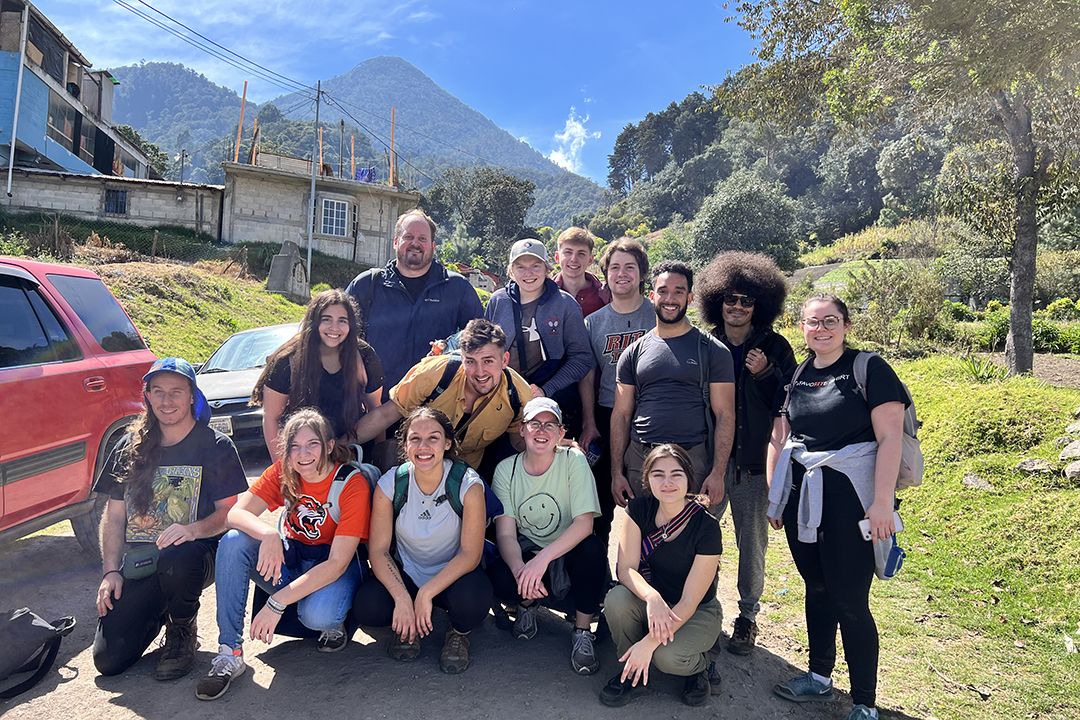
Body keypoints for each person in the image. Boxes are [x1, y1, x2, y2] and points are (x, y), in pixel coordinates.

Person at [766, 294, 906, 720]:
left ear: (846, 325)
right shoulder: (798, 374)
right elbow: (782, 437)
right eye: (813, 322)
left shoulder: (869, 369)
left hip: (852, 499)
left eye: (830, 321)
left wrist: (882, 503)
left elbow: (891, 439)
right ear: (802, 327)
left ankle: (864, 703)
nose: (821, 329)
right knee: (818, 587)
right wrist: (777, 496)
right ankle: (819, 678)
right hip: (803, 498)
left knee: (850, 599)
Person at [197, 409, 371, 700]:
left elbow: (338, 562)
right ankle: (230, 653)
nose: (303, 454)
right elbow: (235, 514)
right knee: (233, 542)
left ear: (329, 446)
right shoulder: (284, 471)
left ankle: (334, 617)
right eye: (294, 446)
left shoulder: (351, 482)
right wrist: (268, 534)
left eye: (312, 444)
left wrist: (276, 602)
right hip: (293, 557)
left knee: (317, 615)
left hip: (335, 563)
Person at [93, 357, 247, 680]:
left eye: (176, 392)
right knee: (108, 660)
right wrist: (110, 572)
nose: (167, 401)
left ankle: (182, 627)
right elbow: (115, 514)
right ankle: (161, 607)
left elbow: (229, 513)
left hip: (194, 556)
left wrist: (192, 530)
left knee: (178, 557)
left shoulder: (216, 446)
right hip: (142, 563)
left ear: (192, 396)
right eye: (158, 391)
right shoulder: (128, 447)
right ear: (147, 395)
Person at [696, 251, 796, 655]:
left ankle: (748, 618)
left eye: (747, 300)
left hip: (755, 466)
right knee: (702, 539)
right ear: (716, 300)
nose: (737, 306)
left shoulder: (776, 347)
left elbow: (794, 401)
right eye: (730, 298)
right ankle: (704, 608)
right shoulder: (703, 344)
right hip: (710, 464)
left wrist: (766, 374)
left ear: (761, 304)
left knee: (752, 546)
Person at [350, 408, 493, 674]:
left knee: (474, 601)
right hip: (408, 573)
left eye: (433, 438)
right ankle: (406, 624)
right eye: (415, 438)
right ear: (404, 444)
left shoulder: (467, 483)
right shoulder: (391, 483)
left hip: (453, 576)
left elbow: (470, 554)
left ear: (447, 443)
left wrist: (427, 593)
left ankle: (457, 633)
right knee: (367, 607)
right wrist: (402, 598)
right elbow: (379, 551)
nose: (423, 446)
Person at [487, 398, 606, 676]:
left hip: (566, 550)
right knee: (499, 575)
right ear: (522, 429)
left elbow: (584, 524)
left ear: (561, 433)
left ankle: (582, 629)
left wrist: (540, 562)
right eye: (535, 424)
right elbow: (505, 532)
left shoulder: (573, 460)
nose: (542, 431)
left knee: (593, 550)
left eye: (550, 425)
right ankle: (527, 605)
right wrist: (521, 571)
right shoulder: (506, 469)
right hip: (528, 551)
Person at [600, 444, 722, 708]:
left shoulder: (707, 527)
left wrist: (649, 644)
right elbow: (626, 569)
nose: (667, 482)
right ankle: (631, 669)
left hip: (695, 610)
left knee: (668, 657)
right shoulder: (639, 509)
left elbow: (689, 601)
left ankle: (700, 666)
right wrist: (652, 597)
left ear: (689, 478)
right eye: (658, 474)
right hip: (652, 603)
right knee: (617, 599)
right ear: (647, 479)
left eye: (676, 474)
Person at [610, 260, 735, 508]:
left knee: (687, 542)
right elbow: (621, 415)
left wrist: (717, 473)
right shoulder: (633, 353)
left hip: (691, 460)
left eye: (679, 291)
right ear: (652, 295)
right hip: (640, 459)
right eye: (664, 291)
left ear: (690, 298)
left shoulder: (713, 350)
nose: (670, 298)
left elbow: (725, 414)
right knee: (640, 541)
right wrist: (616, 473)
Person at [350, 318, 531, 477]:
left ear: (505, 360)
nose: (480, 372)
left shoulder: (519, 395)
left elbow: (518, 441)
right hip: (415, 469)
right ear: (462, 358)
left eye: (488, 361)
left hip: (466, 478)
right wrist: (341, 444)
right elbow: (385, 415)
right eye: (471, 361)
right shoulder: (434, 374)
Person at [346, 209, 483, 401]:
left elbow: (481, 342)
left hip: (435, 407)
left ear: (433, 246)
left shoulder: (457, 288)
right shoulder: (367, 285)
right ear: (395, 242)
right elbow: (336, 334)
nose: (415, 243)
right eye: (408, 236)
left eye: (422, 238)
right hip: (372, 404)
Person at [577, 237, 655, 544]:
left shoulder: (659, 314)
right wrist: (589, 421)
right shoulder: (593, 323)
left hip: (651, 415)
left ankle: (651, 574)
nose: (622, 274)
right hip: (607, 414)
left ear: (641, 273)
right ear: (606, 274)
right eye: (615, 267)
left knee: (652, 498)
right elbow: (587, 375)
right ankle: (600, 577)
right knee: (601, 503)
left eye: (630, 267)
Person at [252, 289, 384, 461]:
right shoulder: (287, 361)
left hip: (354, 456)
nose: (334, 327)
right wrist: (282, 471)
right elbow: (271, 418)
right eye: (326, 319)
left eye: (342, 321)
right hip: (306, 458)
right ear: (313, 322)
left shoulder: (364, 355)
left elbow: (377, 411)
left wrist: (380, 460)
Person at [484, 238, 593, 437]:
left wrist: (546, 389)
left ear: (547, 268)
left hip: (551, 400)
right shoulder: (498, 301)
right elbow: (484, 349)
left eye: (535, 266)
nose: (529, 273)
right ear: (511, 271)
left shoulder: (565, 305)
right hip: (502, 398)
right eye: (520, 267)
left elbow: (582, 358)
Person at [552, 226, 610, 318]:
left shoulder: (605, 296)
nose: (574, 259)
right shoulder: (544, 295)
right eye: (568, 252)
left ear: (590, 260)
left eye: (581, 253)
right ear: (557, 257)